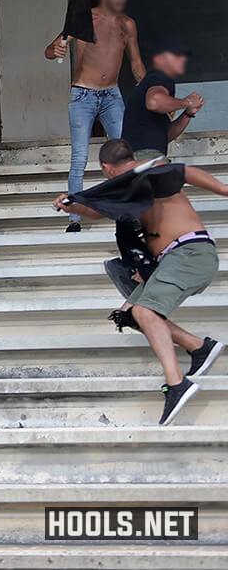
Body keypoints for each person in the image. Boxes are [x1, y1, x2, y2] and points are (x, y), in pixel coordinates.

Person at [54, 139, 225, 425]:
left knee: (146, 311)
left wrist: (223, 189)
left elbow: (185, 172)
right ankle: (199, 347)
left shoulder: (155, 173)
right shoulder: (126, 191)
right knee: (131, 313)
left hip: (190, 253)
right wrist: (73, 204)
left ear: (106, 168)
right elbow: (98, 212)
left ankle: (177, 384)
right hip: (171, 260)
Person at [45, 0, 147, 231]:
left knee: (126, 155)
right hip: (83, 95)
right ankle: (74, 218)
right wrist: (55, 49)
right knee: (79, 157)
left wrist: (147, 91)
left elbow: (136, 63)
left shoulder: (127, 24)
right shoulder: (83, 19)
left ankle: (129, 214)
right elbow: (51, 49)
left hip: (112, 95)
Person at [121, 40, 204, 160]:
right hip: (145, 158)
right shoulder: (160, 77)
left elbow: (166, 136)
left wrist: (187, 114)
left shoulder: (153, 83)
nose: (182, 60)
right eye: (176, 56)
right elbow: (154, 102)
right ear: (160, 59)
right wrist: (187, 101)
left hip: (139, 159)